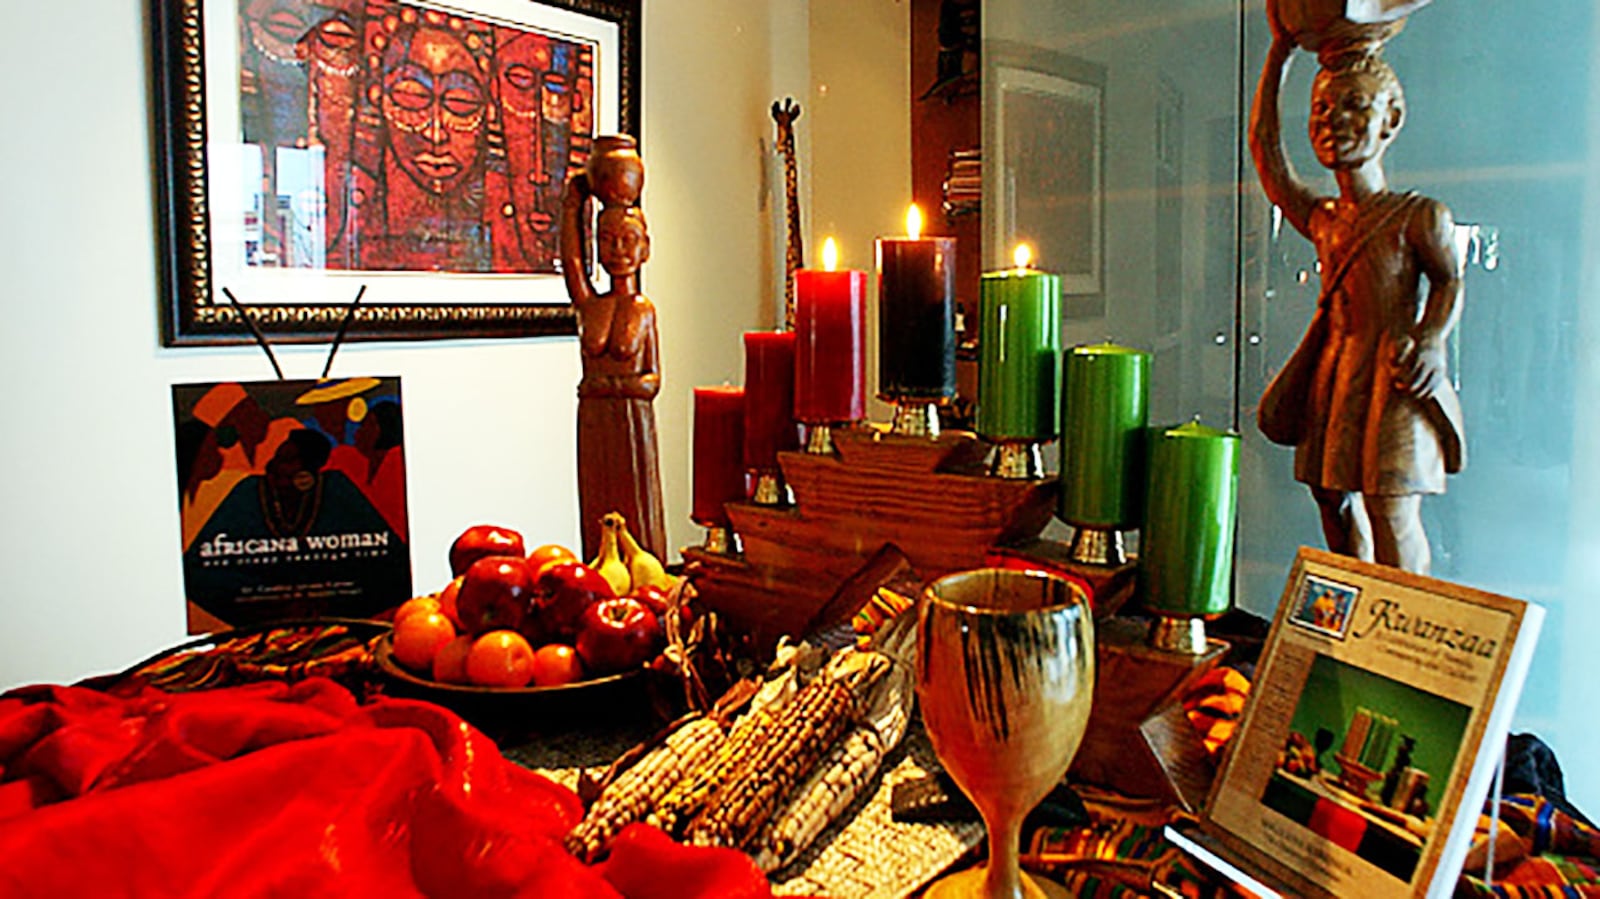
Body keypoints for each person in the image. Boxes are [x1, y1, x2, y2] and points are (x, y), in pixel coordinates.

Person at [1250, 27, 1465, 574]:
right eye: (1321, 108)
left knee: (1390, 507)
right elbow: (1266, 154)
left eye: (1353, 105)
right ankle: (1356, 617)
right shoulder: (1326, 220)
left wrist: (1432, 340)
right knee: (1333, 500)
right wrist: (1278, 55)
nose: (1332, 120)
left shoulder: (1419, 216)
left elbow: (1448, 281)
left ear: (1390, 120)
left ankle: (1403, 628)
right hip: (1337, 373)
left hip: (1392, 375)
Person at [560, 175, 666, 563]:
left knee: (637, 508)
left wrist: (614, 385)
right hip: (594, 422)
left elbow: (653, 379)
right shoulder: (590, 305)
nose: (618, 249)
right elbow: (571, 263)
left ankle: (644, 578)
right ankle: (601, 573)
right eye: (607, 239)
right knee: (596, 506)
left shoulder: (643, 310)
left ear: (645, 249)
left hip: (631, 423)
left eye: (628, 240)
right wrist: (572, 205)